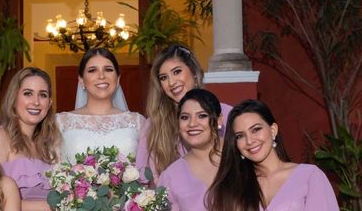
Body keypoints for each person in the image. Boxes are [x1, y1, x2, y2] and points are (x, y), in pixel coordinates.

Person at [207, 99, 339, 211]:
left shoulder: (309, 177)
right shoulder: (232, 187)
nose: (249, 141)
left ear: (273, 130)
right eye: (240, 136)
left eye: (256, 129)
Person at [136, 44, 232, 182]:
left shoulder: (227, 114)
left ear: (194, 72)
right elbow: (142, 178)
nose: (171, 82)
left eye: (177, 72)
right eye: (164, 78)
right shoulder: (155, 124)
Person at [56, 47, 145, 163]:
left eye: (108, 69)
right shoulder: (60, 123)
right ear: (81, 80)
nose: (101, 76)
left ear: (118, 79)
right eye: (92, 70)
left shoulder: (137, 122)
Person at [0, 67, 61, 211]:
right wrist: (53, 206)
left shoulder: (46, 146)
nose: (36, 102)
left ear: (49, 103)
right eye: (28, 93)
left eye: (42, 95)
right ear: (14, 98)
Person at [157, 89, 223, 211]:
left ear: (219, 120)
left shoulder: (240, 155)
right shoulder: (172, 176)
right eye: (185, 117)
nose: (192, 124)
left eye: (202, 116)